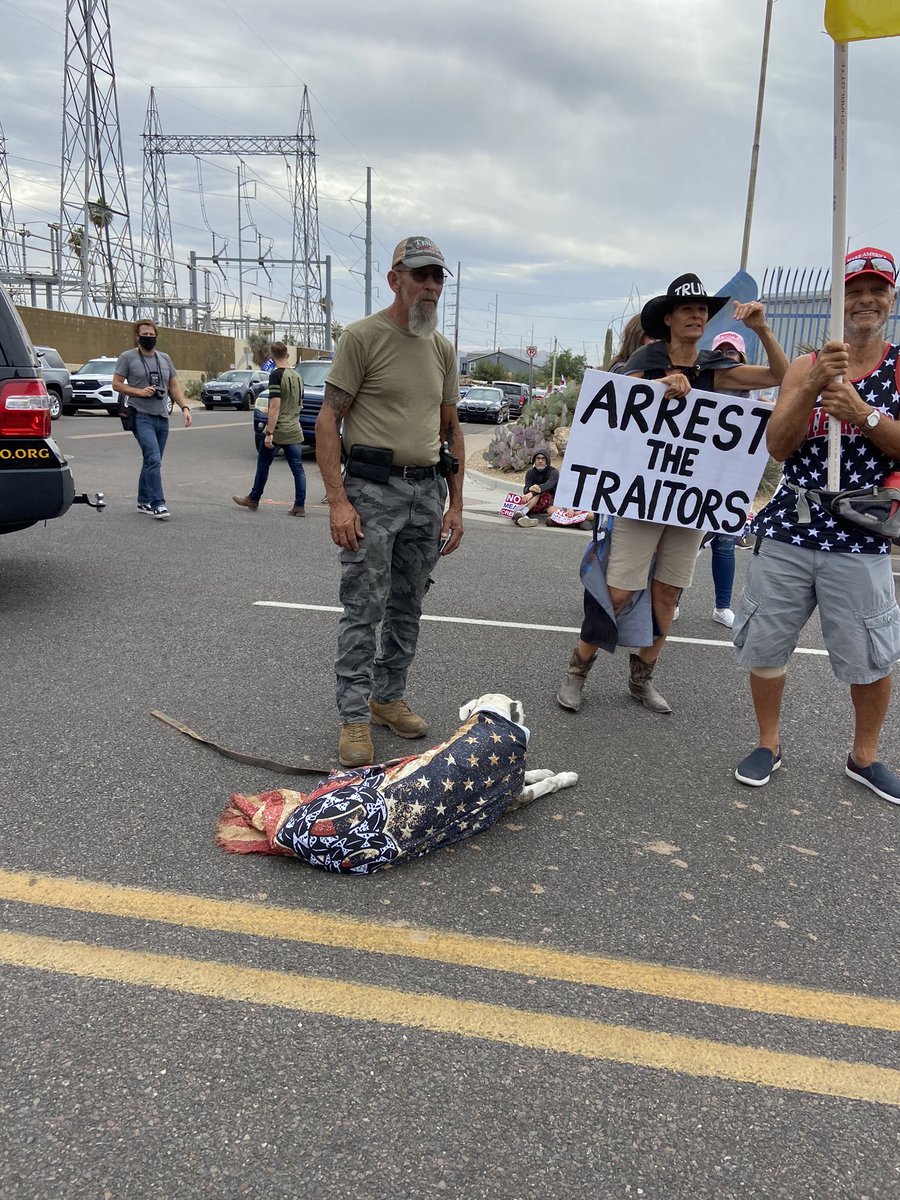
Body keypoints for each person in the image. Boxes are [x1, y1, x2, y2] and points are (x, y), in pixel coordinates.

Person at [556, 273, 789, 716]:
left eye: (703, 309)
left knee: (668, 594)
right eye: (688, 309)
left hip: (689, 504)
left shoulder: (714, 369)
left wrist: (761, 329)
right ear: (668, 318)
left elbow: (782, 375)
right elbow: (616, 401)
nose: (698, 315)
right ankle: (577, 672)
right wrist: (661, 386)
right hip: (641, 498)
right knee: (619, 592)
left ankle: (641, 679)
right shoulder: (648, 357)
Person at [733, 246, 900, 804]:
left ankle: (865, 756)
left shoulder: (898, 369)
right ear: (838, 300)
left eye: (876, 290)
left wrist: (864, 414)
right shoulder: (807, 365)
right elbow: (777, 445)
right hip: (790, 528)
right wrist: (810, 387)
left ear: (891, 299)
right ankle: (768, 742)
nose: (866, 300)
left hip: (861, 532)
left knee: (871, 655)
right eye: (854, 290)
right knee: (767, 642)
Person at [315, 235, 465, 769]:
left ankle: (387, 697)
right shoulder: (363, 337)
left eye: (438, 277)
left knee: (409, 603)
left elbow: (451, 428)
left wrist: (456, 505)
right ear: (394, 279)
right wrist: (337, 500)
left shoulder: (442, 349)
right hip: (372, 491)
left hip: (427, 491)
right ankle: (354, 717)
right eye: (420, 275)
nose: (430, 286)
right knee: (365, 605)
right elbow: (329, 418)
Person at [112, 319, 191, 520]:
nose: (148, 338)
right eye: (144, 335)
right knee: (153, 458)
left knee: (152, 460)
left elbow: (174, 385)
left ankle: (143, 500)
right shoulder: (128, 357)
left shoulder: (164, 358)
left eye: (151, 334)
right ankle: (158, 503)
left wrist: (185, 407)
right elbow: (116, 384)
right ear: (137, 337)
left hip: (162, 416)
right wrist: (139, 391)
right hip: (140, 415)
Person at [233, 342, 306, 515]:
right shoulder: (297, 376)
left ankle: (254, 498)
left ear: (272, 357)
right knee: (298, 469)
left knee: (264, 463)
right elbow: (300, 403)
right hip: (295, 427)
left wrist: (269, 433)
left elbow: (274, 407)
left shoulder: (275, 376)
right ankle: (299, 505)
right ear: (287, 355)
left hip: (279, 428)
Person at [512, 449, 559, 527]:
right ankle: (524, 518)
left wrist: (532, 492)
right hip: (534, 503)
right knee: (516, 505)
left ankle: (523, 512)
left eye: (543, 458)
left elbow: (549, 485)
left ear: (547, 460)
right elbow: (525, 489)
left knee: (539, 493)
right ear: (534, 460)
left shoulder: (553, 472)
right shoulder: (530, 473)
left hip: (549, 502)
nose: (540, 461)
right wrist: (530, 489)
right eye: (538, 458)